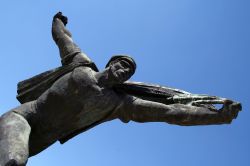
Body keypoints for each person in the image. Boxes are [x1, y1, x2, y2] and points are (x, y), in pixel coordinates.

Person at [0, 12, 241, 166]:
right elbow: (63, 39)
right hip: (24, 118)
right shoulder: (80, 65)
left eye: (129, 71)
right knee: (14, 160)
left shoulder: (118, 104)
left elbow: (171, 113)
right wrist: (58, 21)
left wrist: (218, 117)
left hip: (42, 139)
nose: (125, 71)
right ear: (111, 63)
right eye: (123, 65)